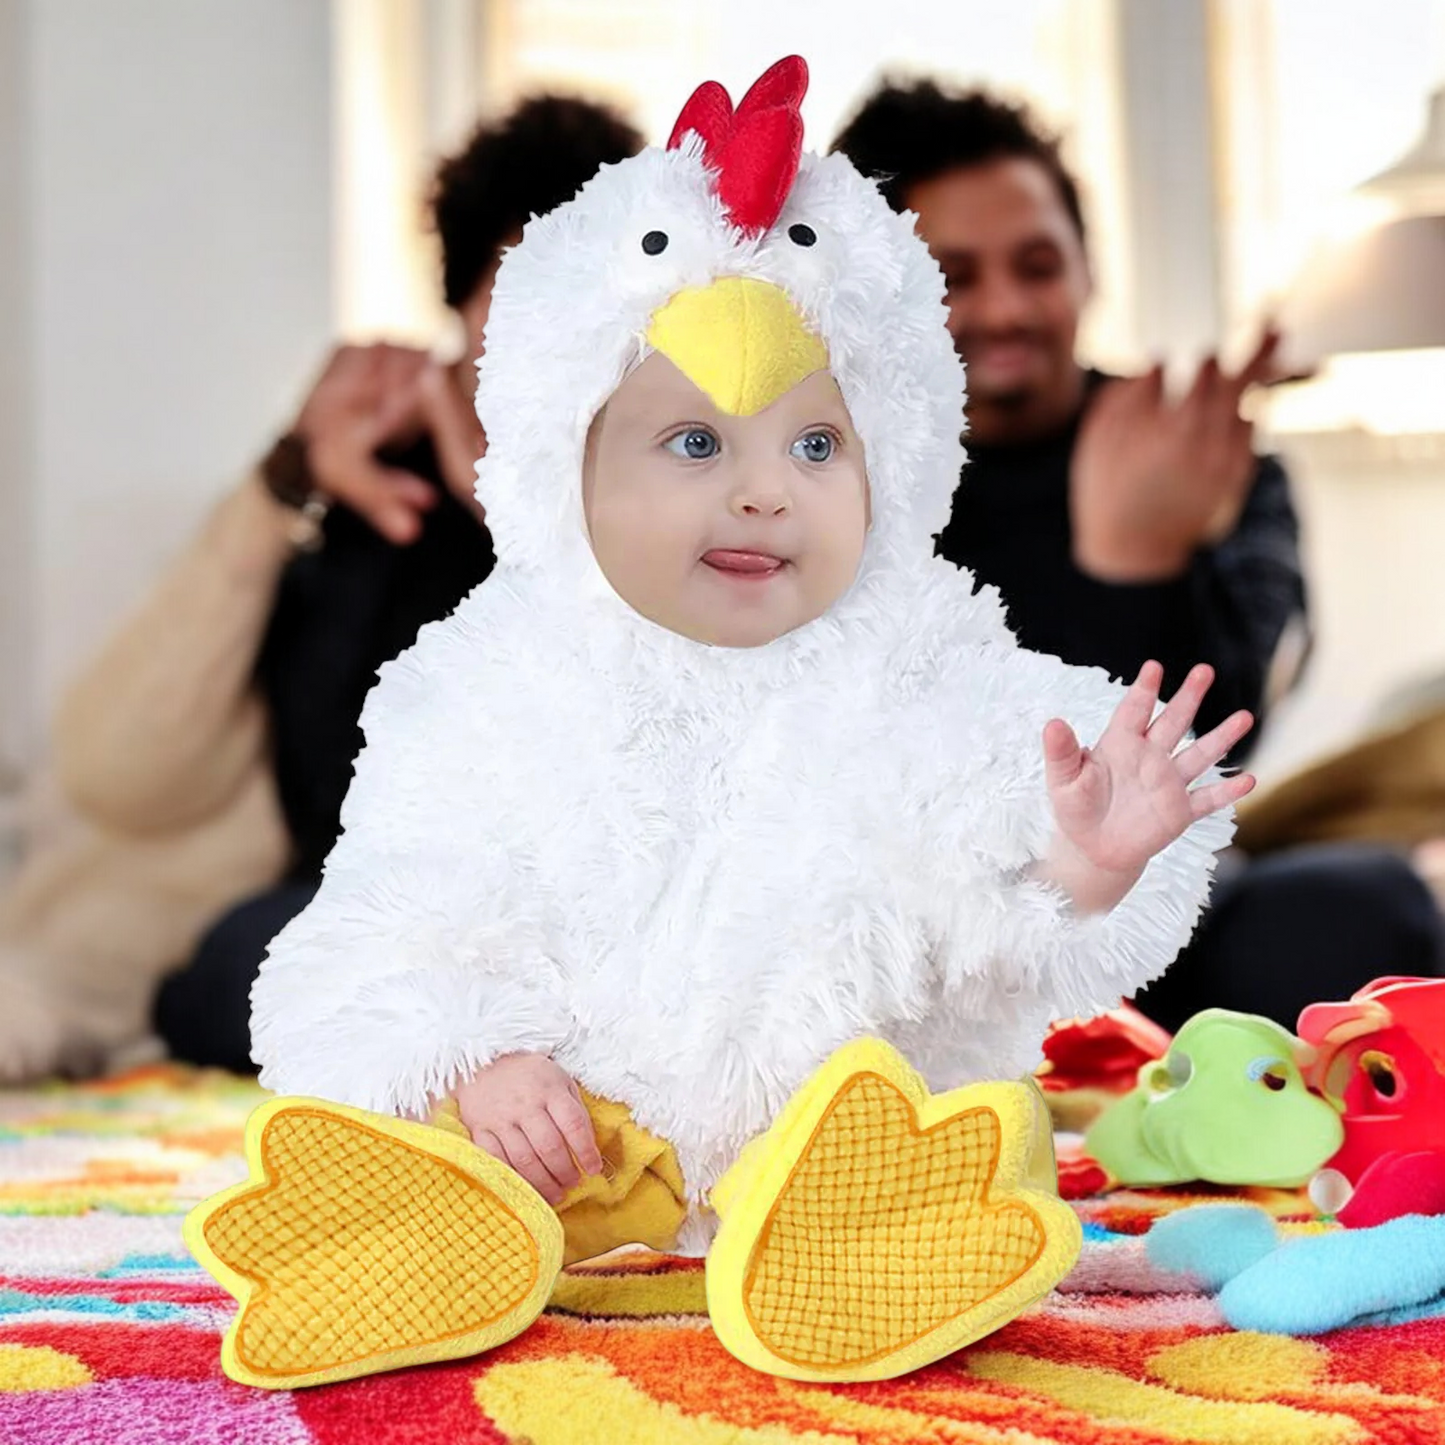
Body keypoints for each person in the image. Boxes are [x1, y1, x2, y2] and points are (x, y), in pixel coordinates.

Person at [231, 55, 1245, 1388]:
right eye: (697, 445)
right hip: (594, 1138)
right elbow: (396, 906)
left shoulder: (922, 652)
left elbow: (1001, 909)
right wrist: (474, 1054)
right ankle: (446, 1218)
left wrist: (1090, 858)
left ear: (896, 450)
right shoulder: (490, 678)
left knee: (958, 1121)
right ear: (566, 457)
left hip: (846, 1121)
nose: (767, 494)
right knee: (413, 1086)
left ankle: (867, 1239)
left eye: (815, 447)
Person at [0, 96, 644, 1083]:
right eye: (519, 295)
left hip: (572, 929)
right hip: (338, 918)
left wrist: (530, 529)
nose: (551, 343)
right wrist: (285, 477)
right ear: (463, 310)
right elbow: (116, 770)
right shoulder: (357, 491)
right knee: (241, 962)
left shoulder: (663, 503)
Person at [830, 80, 1444, 1030]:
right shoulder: (833, 476)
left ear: (1086, 271)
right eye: (954, 274)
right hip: (928, 929)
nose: (1004, 310)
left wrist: (1139, 561)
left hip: (1162, 918)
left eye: (1036, 264)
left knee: (1368, 910)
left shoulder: (1206, 452)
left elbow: (1226, 741)